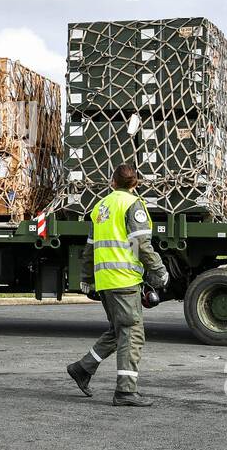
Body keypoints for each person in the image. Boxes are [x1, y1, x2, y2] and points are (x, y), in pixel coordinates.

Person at [65, 165, 169, 407]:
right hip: (125, 279)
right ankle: (125, 392)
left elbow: (90, 248)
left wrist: (87, 278)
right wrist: (159, 271)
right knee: (132, 334)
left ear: (112, 182)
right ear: (136, 183)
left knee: (118, 330)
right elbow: (141, 244)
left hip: (106, 281)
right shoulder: (133, 204)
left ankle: (82, 368)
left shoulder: (100, 207)